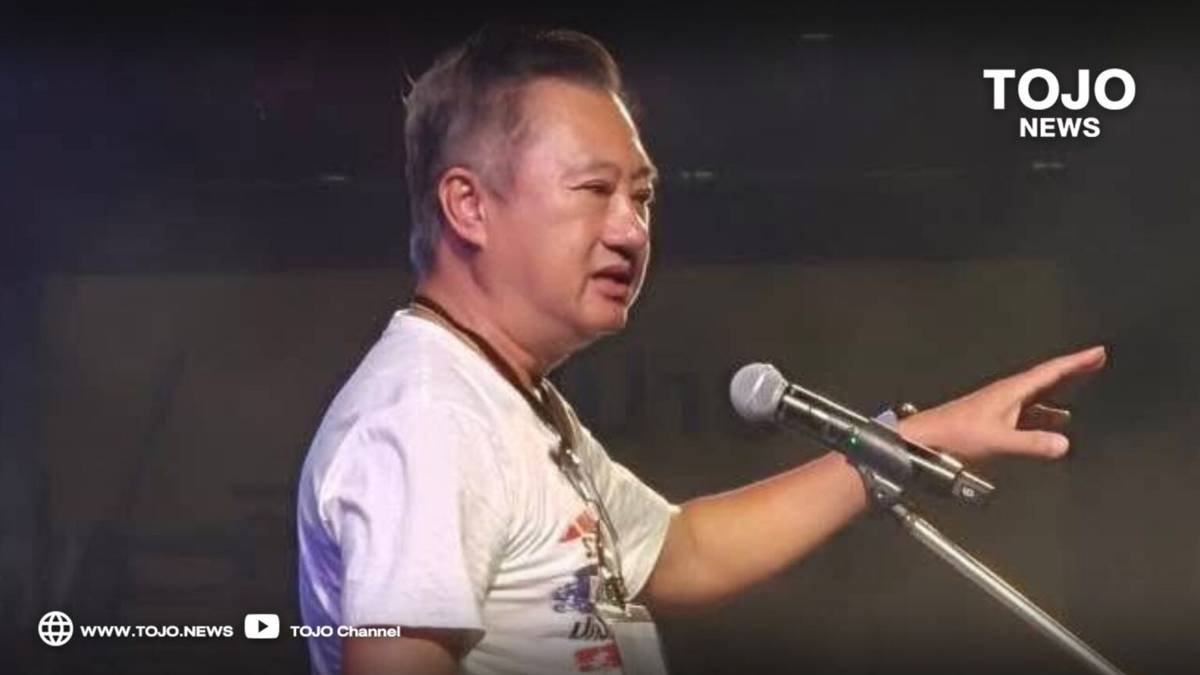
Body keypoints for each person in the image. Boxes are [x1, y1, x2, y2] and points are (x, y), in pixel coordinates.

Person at [295, 26, 1107, 675]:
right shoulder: (430, 416)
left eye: (642, 196)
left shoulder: (503, 398)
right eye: (594, 190)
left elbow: (683, 551)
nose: (630, 229)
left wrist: (919, 436)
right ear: (468, 205)